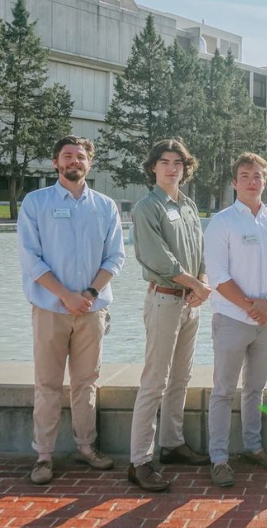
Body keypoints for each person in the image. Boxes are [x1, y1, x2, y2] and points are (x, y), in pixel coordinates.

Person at [17, 135, 125, 485]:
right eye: (67, 156)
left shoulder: (106, 206)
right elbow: (31, 259)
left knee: (86, 382)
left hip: (91, 310)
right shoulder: (36, 203)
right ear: (55, 162)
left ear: (89, 163)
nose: (74, 161)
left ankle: (86, 446)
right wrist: (65, 295)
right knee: (47, 384)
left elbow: (116, 257)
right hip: (50, 309)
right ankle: (44, 456)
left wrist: (90, 293)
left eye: (80, 156)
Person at [203, 153, 267, 487]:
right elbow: (218, 275)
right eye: (245, 175)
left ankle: (254, 446)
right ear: (234, 182)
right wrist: (249, 306)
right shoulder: (222, 222)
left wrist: (266, 302)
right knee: (224, 390)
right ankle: (220, 458)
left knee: (256, 389)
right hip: (231, 319)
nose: (252, 181)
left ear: (265, 181)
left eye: (258, 175)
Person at [128, 139, 210, 492]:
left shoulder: (189, 205)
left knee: (181, 378)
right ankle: (139, 461)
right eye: (165, 161)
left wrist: (201, 282)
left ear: (185, 167)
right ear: (153, 166)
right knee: (154, 382)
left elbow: (200, 252)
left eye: (178, 162)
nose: (172, 167)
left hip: (189, 303)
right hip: (164, 300)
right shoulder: (147, 208)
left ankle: (172, 443)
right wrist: (196, 284)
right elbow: (158, 257)